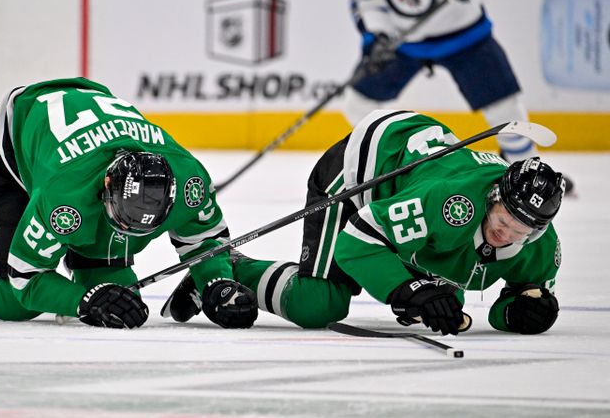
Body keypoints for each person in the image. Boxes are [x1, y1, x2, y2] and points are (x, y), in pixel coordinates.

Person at [0, 77, 257, 329]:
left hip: (82, 138)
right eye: (120, 221)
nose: (124, 234)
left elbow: (207, 240)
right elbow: (25, 276)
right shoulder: (64, 199)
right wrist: (84, 300)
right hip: (11, 148)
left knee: (122, 306)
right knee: (10, 300)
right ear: (106, 186)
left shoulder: (188, 179)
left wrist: (217, 280)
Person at [164, 110, 565, 336]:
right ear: (493, 196)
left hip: (410, 197)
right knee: (316, 303)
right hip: (361, 174)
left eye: (522, 230)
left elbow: (520, 294)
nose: (506, 234)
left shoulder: (541, 246)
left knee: (445, 302)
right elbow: (358, 241)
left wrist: (521, 313)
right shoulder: (451, 204)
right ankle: (228, 267)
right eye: (502, 219)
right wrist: (409, 290)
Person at [335, 0, 574, 192]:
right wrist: (377, 35)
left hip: (463, 34)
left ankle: (526, 173)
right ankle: (394, 172)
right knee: (357, 103)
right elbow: (367, 0)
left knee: (505, 108)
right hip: (406, 42)